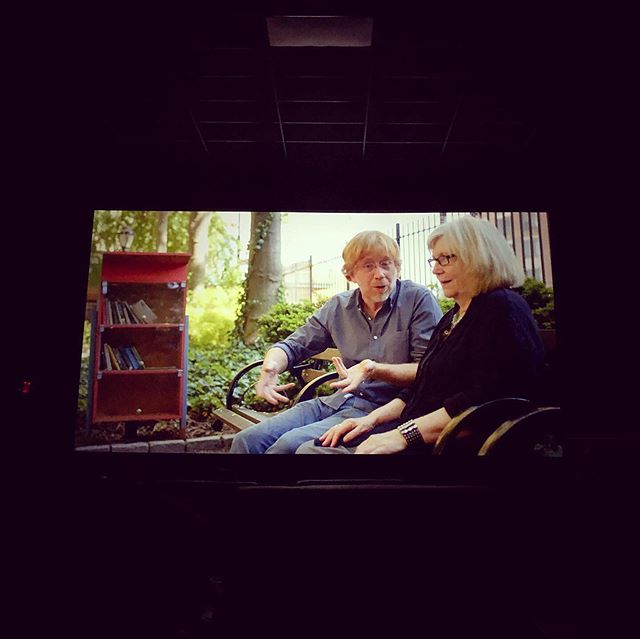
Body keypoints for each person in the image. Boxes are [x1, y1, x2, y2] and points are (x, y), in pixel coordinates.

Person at [296, 215, 544, 455]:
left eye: (446, 259)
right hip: (417, 429)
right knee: (309, 448)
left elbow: (489, 399)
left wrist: (402, 435)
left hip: (452, 444)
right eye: (434, 260)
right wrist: (369, 421)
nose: (435, 270)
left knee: (310, 451)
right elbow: (422, 387)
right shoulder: (455, 315)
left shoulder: (502, 308)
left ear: (480, 258)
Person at [229, 230, 443, 453]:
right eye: (368, 266)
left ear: (397, 268)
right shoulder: (339, 307)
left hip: (386, 410)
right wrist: (270, 368)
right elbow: (293, 346)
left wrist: (373, 370)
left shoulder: (418, 300)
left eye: (386, 264)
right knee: (248, 440)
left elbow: (428, 372)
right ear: (350, 275)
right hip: (337, 402)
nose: (380, 274)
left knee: (288, 447)